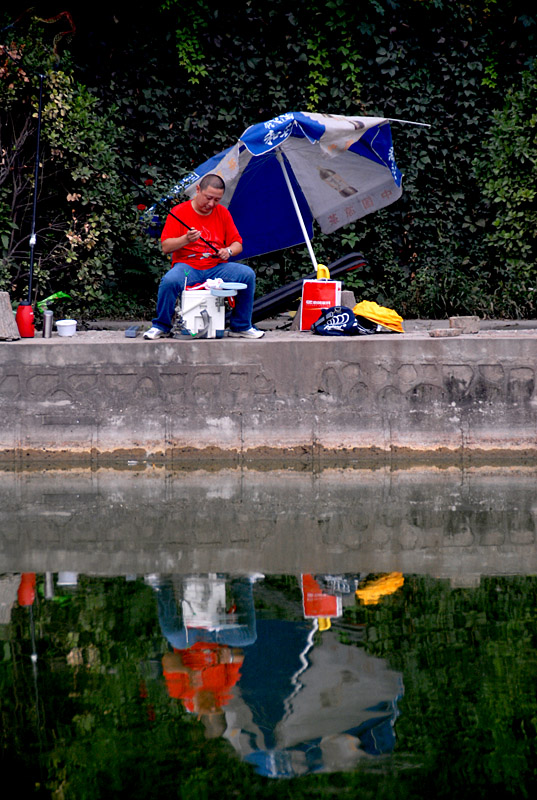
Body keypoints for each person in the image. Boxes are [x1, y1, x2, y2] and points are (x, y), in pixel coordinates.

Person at [144, 173, 264, 339]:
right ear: (198, 190)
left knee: (247, 274)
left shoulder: (222, 213)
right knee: (170, 281)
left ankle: (241, 326)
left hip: (216, 267)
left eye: (217, 200)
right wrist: (186, 239)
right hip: (187, 267)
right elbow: (166, 247)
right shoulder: (178, 211)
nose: (211, 204)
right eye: (208, 198)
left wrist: (227, 251)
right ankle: (161, 325)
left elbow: (237, 244)